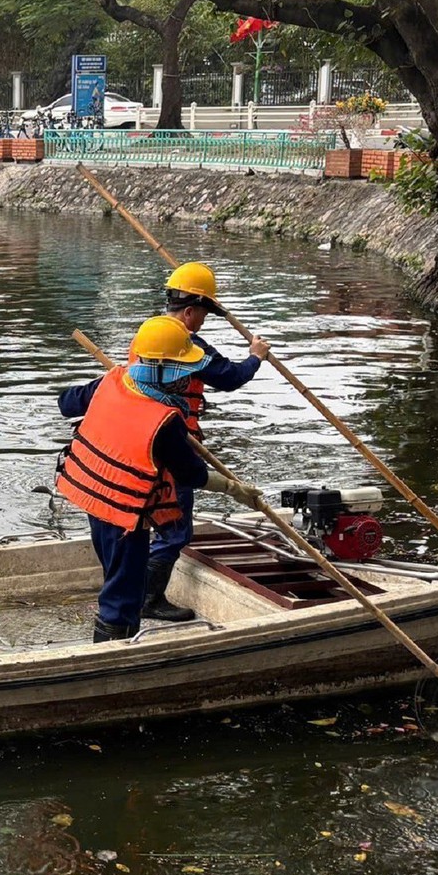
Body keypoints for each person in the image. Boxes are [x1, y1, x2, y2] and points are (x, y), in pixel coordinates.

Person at [55, 316, 258, 641]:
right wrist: (234, 488)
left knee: (117, 576)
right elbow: (191, 473)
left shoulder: (115, 378)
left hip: (93, 499)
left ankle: (116, 634)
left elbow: (66, 402)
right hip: (124, 513)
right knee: (123, 595)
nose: (188, 377)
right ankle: (112, 656)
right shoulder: (164, 420)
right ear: (161, 371)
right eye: (182, 370)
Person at [140, 262, 272, 621]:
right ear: (189, 311)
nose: (202, 322)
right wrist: (255, 356)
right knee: (175, 529)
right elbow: (229, 377)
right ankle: (148, 600)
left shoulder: (148, 336)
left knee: (148, 518)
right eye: (201, 314)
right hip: (172, 444)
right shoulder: (186, 345)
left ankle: (136, 591)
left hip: (141, 441)